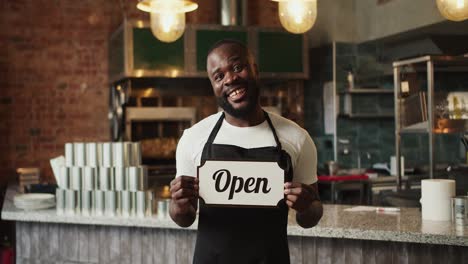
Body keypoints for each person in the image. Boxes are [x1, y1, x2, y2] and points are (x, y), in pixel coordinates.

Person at [169, 39, 323, 264]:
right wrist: (178, 205)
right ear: (213, 86)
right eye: (219, 76)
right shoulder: (193, 139)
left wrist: (306, 206)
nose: (230, 78)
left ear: (255, 70)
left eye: (237, 67)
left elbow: (312, 216)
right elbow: (184, 219)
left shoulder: (297, 138)